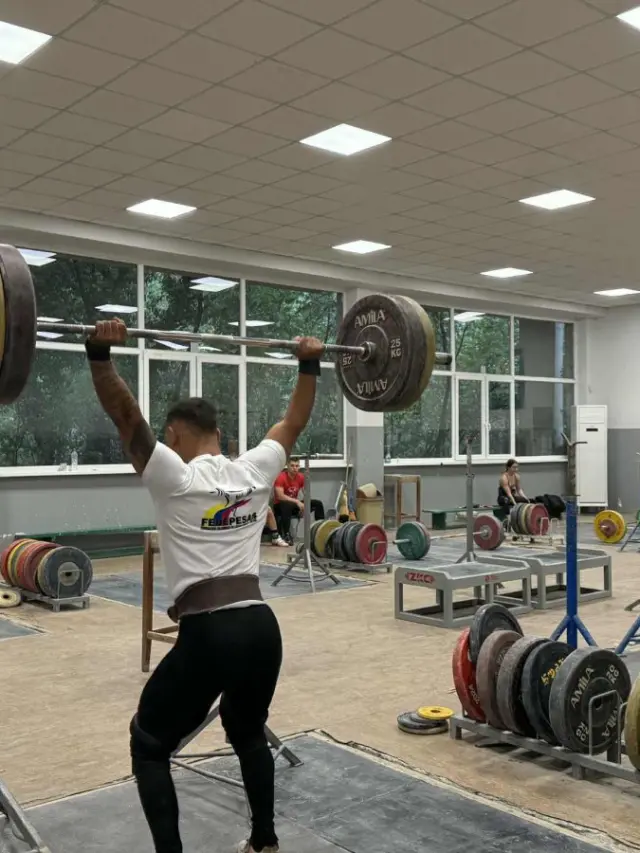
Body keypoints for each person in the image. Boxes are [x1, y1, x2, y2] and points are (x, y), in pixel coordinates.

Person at [84, 318, 324, 853]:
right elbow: (294, 420)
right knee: (246, 730)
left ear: (174, 435)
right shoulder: (255, 469)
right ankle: (264, 841)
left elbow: (126, 415)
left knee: (149, 744)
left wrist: (98, 355)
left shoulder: (175, 476)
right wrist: (309, 363)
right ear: (220, 434)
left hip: (211, 633)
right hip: (262, 629)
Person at [273, 458, 325, 544]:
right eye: (292, 466)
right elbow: (280, 496)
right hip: (280, 505)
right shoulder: (281, 477)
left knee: (318, 504)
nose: (295, 468)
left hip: (293, 505)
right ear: (287, 466)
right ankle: (286, 535)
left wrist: (305, 506)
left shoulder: (301, 477)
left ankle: (321, 530)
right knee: (286, 505)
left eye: (297, 466)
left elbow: (306, 493)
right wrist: (297, 502)